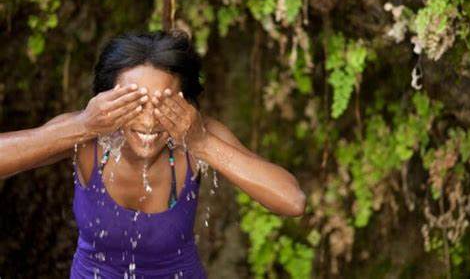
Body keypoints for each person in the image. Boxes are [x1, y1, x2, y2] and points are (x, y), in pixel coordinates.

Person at [0, 29, 306, 278]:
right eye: (134, 103)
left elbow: (292, 201)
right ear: (107, 101)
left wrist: (200, 142)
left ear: (186, 106)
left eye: (163, 106)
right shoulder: (85, 138)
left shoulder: (197, 138)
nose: (148, 122)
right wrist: (81, 125)